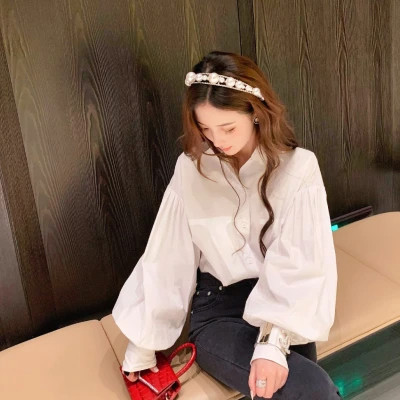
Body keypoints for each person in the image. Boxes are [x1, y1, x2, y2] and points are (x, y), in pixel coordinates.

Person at [112, 50, 342, 399]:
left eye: (228, 127)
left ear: (256, 112)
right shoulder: (192, 168)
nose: (217, 141)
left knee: (302, 387)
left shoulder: (299, 168)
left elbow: (302, 262)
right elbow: (167, 258)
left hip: (283, 301)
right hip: (219, 310)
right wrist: (142, 348)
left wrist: (272, 343)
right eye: (205, 129)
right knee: (311, 388)